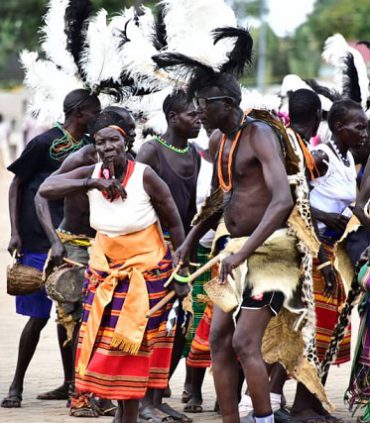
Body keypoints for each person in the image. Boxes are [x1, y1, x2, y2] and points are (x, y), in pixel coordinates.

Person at [39, 111, 189, 423]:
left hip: (146, 277)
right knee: (105, 352)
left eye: (114, 140)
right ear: (95, 147)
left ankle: (128, 418)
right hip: (103, 274)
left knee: (130, 354)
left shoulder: (145, 175)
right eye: (100, 142)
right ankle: (122, 417)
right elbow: (46, 189)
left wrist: (182, 271)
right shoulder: (92, 173)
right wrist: (90, 181)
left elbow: (174, 221)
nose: (108, 147)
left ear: (126, 142)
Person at [174, 74, 295, 423]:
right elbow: (217, 200)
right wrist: (189, 240)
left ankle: (262, 419)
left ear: (227, 105)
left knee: (244, 343)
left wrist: (243, 253)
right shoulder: (217, 141)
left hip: (272, 253)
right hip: (234, 252)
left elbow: (281, 200)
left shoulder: (259, 135)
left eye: (203, 105)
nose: (198, 112)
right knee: (218, 341)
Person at [1, 89, 101, 409]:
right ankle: (16, 384)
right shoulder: (44, 143)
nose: (96, 118)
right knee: (37, 315)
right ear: (77, 112)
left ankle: (70, 382)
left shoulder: (89, 148)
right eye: (93, 112)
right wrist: (16, 231)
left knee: (67, 316)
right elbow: (18, 184)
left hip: (72, 242)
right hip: (37, 239)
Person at [35, 107, 136, 417]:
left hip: (108, 247)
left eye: (131, 133)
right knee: (75, 319)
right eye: (128, 130)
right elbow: (43, 194)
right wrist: (54, 241)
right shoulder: (83, 159)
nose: (133, 136)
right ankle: (78, 390)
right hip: (74, 246)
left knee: (104, 320)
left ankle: (100, 389)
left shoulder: (132, 161)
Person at [290, 99, 368, 422]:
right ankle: (299, 408)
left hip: (332, 252)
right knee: (315, 334)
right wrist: (323, 214)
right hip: (315, 252)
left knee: (327, 336)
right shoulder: (321, 157)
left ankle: (313, 404)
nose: (364, 132)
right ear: (339, 127)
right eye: (358, 126)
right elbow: (294, 196)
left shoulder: (347, 159)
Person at [136, 89, 201, 422]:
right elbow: (133, 196)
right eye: (192, 114)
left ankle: (158, 397)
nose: (199, 119)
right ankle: (143, 402)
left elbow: (187, 209)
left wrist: (185, 250)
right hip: (151, 252)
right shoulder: (151, 152)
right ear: (173, 117)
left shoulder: (194, 154)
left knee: (177, 331)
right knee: (155, 328)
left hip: (180, 251)